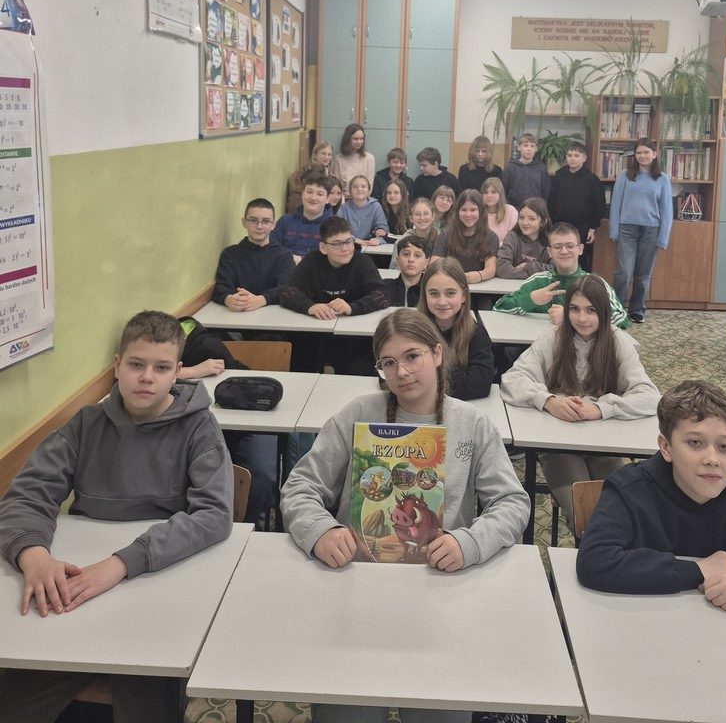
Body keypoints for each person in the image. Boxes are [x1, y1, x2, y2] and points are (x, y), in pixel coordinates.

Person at [280, 308, 530, 723]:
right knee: (349, 711)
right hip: (355, 583)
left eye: (412, 356)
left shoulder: (472, 424)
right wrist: (320, 530)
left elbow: (512, 502)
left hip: (443, 585)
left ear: (437, 354)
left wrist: (469, 542)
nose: (402, 372)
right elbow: (300, 486)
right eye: (388, 363)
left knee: (438, 710)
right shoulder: (358, 413)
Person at [0, 311, 233, 722]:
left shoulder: (199, 428)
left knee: (146, 689)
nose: (147, 378)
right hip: (80, 583)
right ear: (116, 365)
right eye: (136, 364)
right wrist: (33, 555)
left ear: (178, 372)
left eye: (161, 368)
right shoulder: (86, 424)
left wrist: (121, 563)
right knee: (17, 692)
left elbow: (214, 513)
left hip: (159, 579)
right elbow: (27, 495)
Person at [576, 380, 726, 616]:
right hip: (644, 623)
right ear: (666, 447)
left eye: (724, 447)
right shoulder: (630, 490)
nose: (712, 459)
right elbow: (595, 561)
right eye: (695, 443)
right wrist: (698, 570)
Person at [501, 275, 659, 532]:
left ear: (603, 312)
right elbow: (512, 379)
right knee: (585, 513)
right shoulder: (553, 338)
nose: (582, 318)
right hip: (558, 445)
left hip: (606, 445)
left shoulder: (618, 341)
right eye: (574, 309)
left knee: (625, 509)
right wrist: (549, 401)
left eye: (591, 310)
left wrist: (600, 408)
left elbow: (650, 395)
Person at [280, 216, 390, 372]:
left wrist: (352, 307)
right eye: (337, 244)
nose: (345, 248)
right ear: (323, 247)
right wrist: (309, 307)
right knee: (302, 358)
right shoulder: (312, 260)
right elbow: (287, 292)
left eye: (348, 241)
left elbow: (382, 295)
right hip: (316, 333)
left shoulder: (363, 262)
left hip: (353, 336)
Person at [493, 222, 629, 329]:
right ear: (550, 252)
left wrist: (570, 318)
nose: (564, 251)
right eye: (558, 247)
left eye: (570, 246)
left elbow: (621, 320)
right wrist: (530, 299)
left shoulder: (596, 284)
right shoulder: (538, 280)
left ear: (580, 249)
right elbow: (499, 307)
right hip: (539, 346)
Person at [608, 137, 673, 323]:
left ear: (654, 154)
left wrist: (663, 238)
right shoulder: (625, 175)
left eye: (646, 152)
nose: (642, 156)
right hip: (626, 229)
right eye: (639, 152)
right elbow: (616, 204)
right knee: (624, 272)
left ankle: (637, 309)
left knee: (643, 274)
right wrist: (614, 230)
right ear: (634, 155)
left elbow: (667, 210)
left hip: (651, 231)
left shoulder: (662, 179)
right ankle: (616, 309)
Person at [419, 258, 494, 400]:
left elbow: (480, 384)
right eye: (434, 293)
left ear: (463, 296)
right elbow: (391, 373)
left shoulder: (476, 333)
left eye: (450, 293)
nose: (442, 302)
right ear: (424, 295)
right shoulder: (412, 330)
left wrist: (422, 379)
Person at [212, 197, 294, 312]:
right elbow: (221, 286)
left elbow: (286, 287)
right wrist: (228, 298)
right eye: (253, 220)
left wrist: (262, 299)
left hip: (272, 316)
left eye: (266, 221)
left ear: (273, 225)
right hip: (237, 315)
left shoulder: (284, 255)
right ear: (244, 222)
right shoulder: (230, 254)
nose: (259, 226)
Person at [547, 142, 605, 271]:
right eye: (569, 155)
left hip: (582, 228)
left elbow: (599, 206)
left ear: (584, 158)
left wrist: (592, 228)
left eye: (576, 155)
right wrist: (552, 225)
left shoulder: (592, 180)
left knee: (581, 259)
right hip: (559, 225)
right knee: (559, 257)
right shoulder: (558, 177)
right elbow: (551, 202)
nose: (572, 158)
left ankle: (581, 283)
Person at [432, 189, 499, 285]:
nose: (468, 214)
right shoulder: (445, 235)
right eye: (463, 210)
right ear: (457, 211)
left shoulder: (491, 237)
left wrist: (479, 275)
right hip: (449, 284)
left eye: (473, 210)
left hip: (479, 286)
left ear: (481, 211)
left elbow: (491, 269)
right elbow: (434, 264)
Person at [272, 174, 332, 264]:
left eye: (320, 194)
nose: (313, 198)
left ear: (327, 199)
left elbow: (335, 257)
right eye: (309, 192)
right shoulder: (285, 221)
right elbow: (272, 248)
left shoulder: (334, 226)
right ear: (302, 194)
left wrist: (302, 260)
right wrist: (289, 258)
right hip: (286, 268)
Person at [496, 197, 551, 280]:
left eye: (531, 219)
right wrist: (534, 274)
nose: (525, 222)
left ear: (543, 222)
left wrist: (527, 266)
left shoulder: (551, 240)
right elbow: (501, 269)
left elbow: (555, 270)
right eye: (521, 218)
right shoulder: (512, 237)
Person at [336, 174, 389, 247]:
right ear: (350, 191)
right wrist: (354, 240)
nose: (359, 189)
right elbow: (337, 229)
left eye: (363, 186)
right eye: (355, 187)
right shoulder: (344, 208)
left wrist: (378, 239)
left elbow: (383, 229)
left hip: (370, 245)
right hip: (349, 244)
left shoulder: (376, 206)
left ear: (369, 190)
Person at [502, 132, 550, 208]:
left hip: (535, 208)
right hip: (514, 208)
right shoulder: (510, 167)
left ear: (536, 149)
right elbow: (504, 189)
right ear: (519, 147)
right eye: (525, 145)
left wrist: (541, 206)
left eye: (532, 146)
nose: (529, 149)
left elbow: (545, 192)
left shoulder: (541, 169)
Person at [388, 197, 438, 269]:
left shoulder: (440, 241)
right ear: (411, 218)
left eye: (426, 214)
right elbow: (394, 269)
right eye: (417, 214)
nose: (422, 218)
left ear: (433, 216)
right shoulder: (401, 241)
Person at [384, 234, 431, 307]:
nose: (411, 259)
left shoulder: (431, 290)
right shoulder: (384, 287)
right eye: (406, 254)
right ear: (397, 260)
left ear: (426, 263)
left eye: (417, 255)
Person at [285, 141, 332, 213]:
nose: (327, 157)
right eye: (323, 154)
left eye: (329, 154)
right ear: (315, 155)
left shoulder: (328, 172)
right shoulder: (307, 172)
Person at [331, 123, 375, 190]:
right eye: (355, 139)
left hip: (362, 196)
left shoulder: (369, 158)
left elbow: (369, 188)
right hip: (343, 196)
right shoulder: (338, 159)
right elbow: (337, 186)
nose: (359, 142)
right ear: (347, 139)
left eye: (361, 138)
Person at [481, 176, 518, 245]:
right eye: (485, 192)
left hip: (506, 249)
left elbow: (515, 239)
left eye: (493, 192)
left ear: (500, 194)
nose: (489, 196)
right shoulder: (478, 213)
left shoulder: (511, 211)